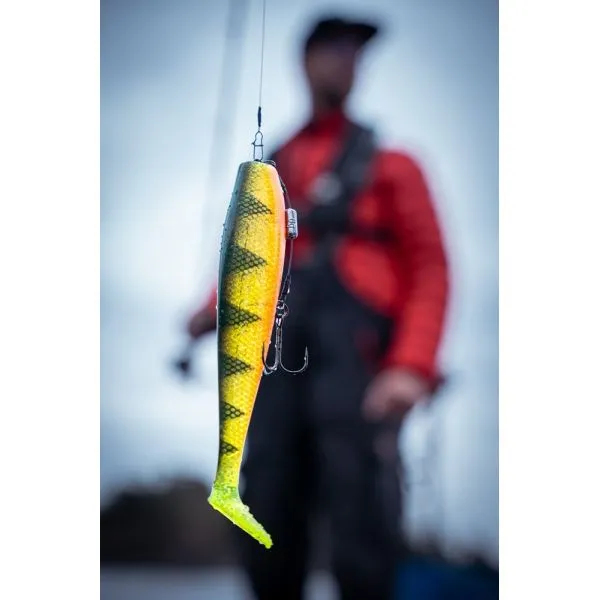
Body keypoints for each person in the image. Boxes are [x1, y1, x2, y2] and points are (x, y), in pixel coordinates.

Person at [182, 15, 450, 600]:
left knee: (362, 521)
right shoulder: (273, 164)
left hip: (359, 370)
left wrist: (411, 366)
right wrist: (207, 311)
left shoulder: (395, 164)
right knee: (268, 502)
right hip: (276, 368)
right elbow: (247, 259)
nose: (346, 61)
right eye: (333, 48)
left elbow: (431, 267)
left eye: (355, 52)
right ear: (304, 61)